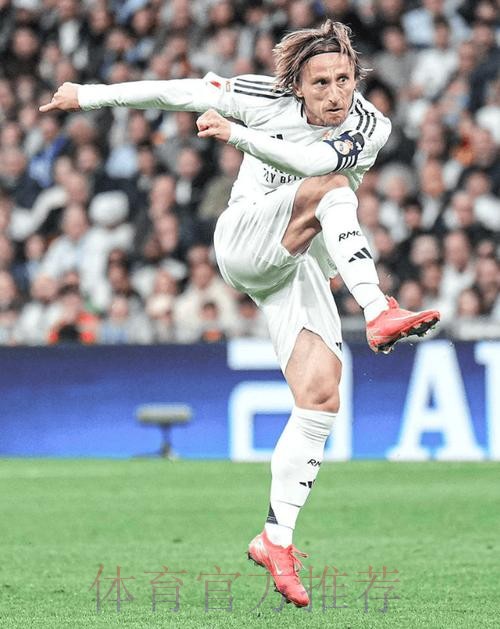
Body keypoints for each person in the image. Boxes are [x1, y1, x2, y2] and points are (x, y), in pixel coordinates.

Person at [41, 20, 440, 608]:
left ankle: (275, 539)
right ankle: (378, 309)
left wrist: (237, 137)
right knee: (333, 189)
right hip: (244, 238)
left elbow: (307, 161)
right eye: (321, 83)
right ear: (297, 86)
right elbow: (180, 91)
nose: (336, 94)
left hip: (294, 261)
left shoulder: (370, 126)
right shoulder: (262, 95)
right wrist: (89, 95)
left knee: (321, 397)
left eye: (344, 79)